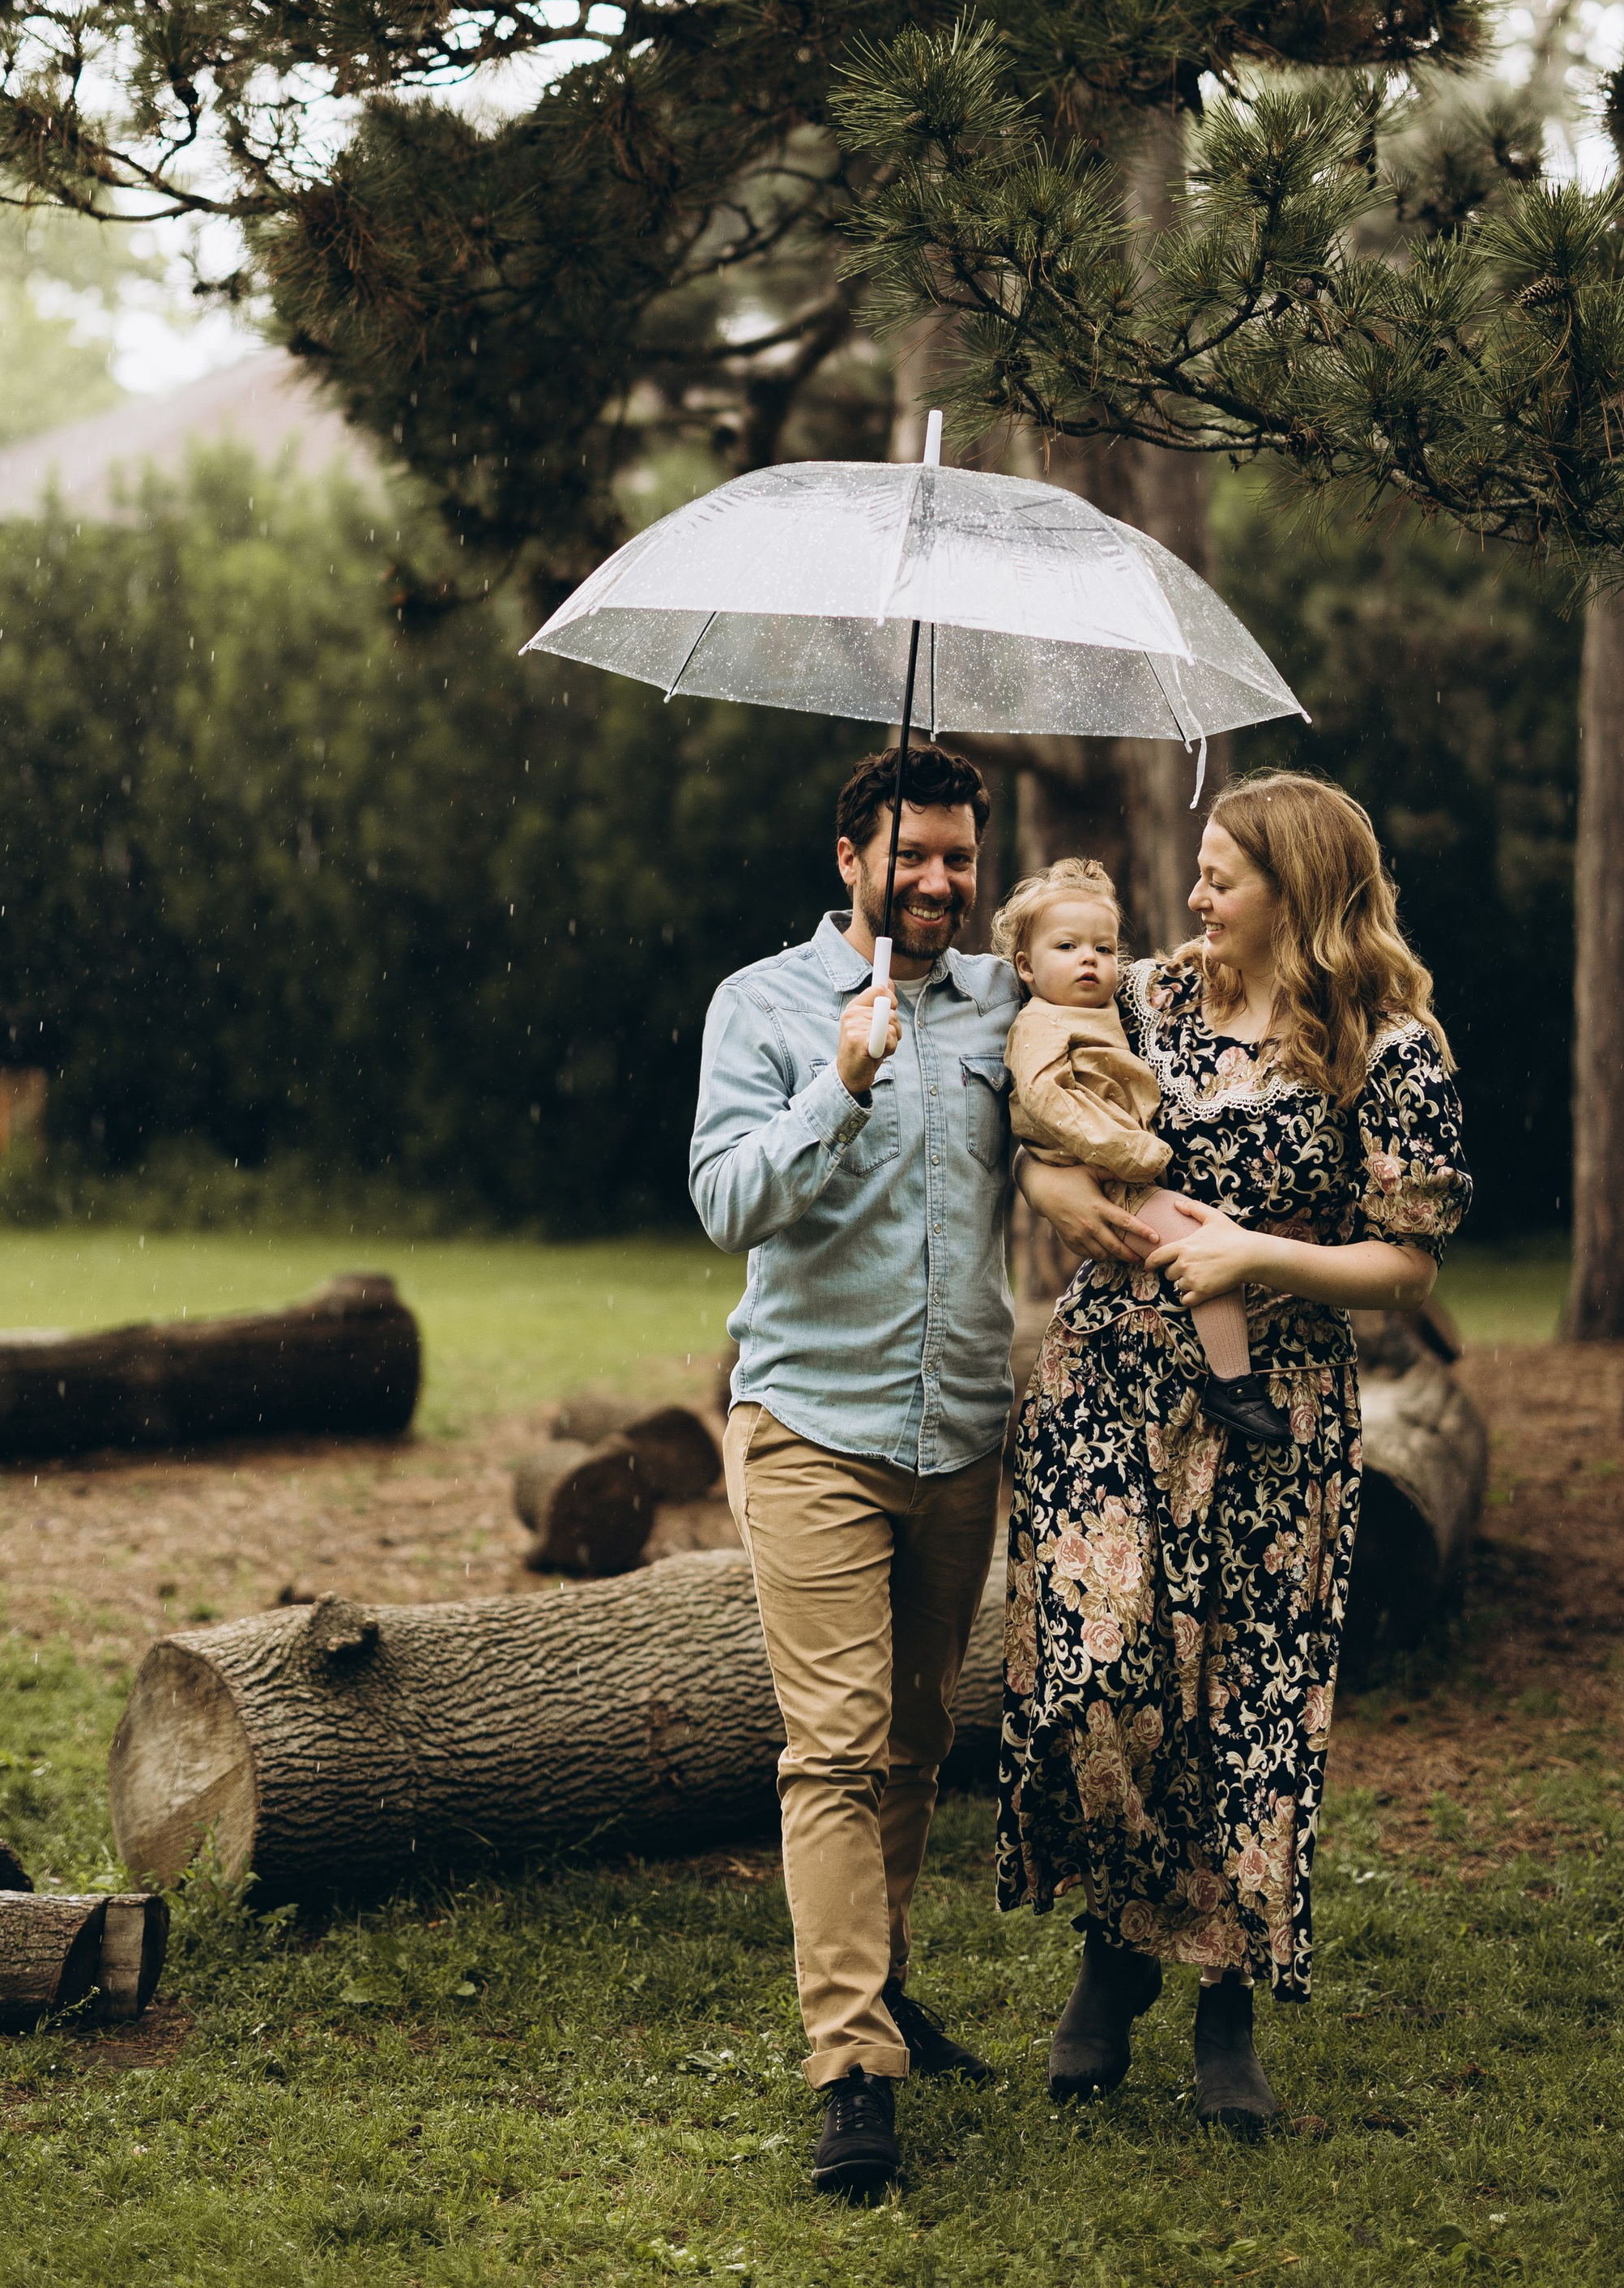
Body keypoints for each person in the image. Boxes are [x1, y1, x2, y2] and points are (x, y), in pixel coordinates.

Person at [1000, 771, 1471, 2132]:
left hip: (1278, 1405)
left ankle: (1223, 2004)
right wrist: (1043, 1176)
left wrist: (1257, 1251)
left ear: (1301, 893)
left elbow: (1414, 1259)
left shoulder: (1389, 1042)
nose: (1194, 897)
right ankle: (1114, 1938)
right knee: (1101, 1682)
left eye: (1224, 875)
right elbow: (1023, 1084)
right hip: (1106, 1387)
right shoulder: (1141, 995)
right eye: (1199, 872)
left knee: (1246, 1709)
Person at [690, 742, 1018, 2200]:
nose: (938, 882)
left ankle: (876, 1982)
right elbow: (723, 1199)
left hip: (961, 1436)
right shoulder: (762, 1004)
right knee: (831, 1748)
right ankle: (851, 2071)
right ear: (850, 861)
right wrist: (839, 1080)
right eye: (913, 857)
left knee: (917, 1740)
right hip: (814, 1429)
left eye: (959, 857)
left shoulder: (1009, 1008)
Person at [992, 855, 1286, 1446]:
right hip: (1106, 1173)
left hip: (1110, 1168)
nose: (1089, 960)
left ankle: (1228, 1378)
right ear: (1025, 966)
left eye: (1103, 949)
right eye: (1069, 947)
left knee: (1203, 1249)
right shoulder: (1042, 1025)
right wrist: (1135, 1153)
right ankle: (1234, 1384)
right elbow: (1051, 1105)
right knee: (1204, 1247)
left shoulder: (1107, 1007)